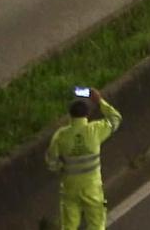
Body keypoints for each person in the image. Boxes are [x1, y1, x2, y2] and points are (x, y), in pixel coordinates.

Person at [45, 86, 121, 230]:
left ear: (70, 114)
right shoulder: (95, 130)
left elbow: (51, 163)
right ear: (88, 113)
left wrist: (62, 169)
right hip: (92, 188)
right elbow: (115, 119)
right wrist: (99, 101)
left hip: (70, 188)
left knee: (69, 226)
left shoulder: (61, 135)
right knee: (96, 224)